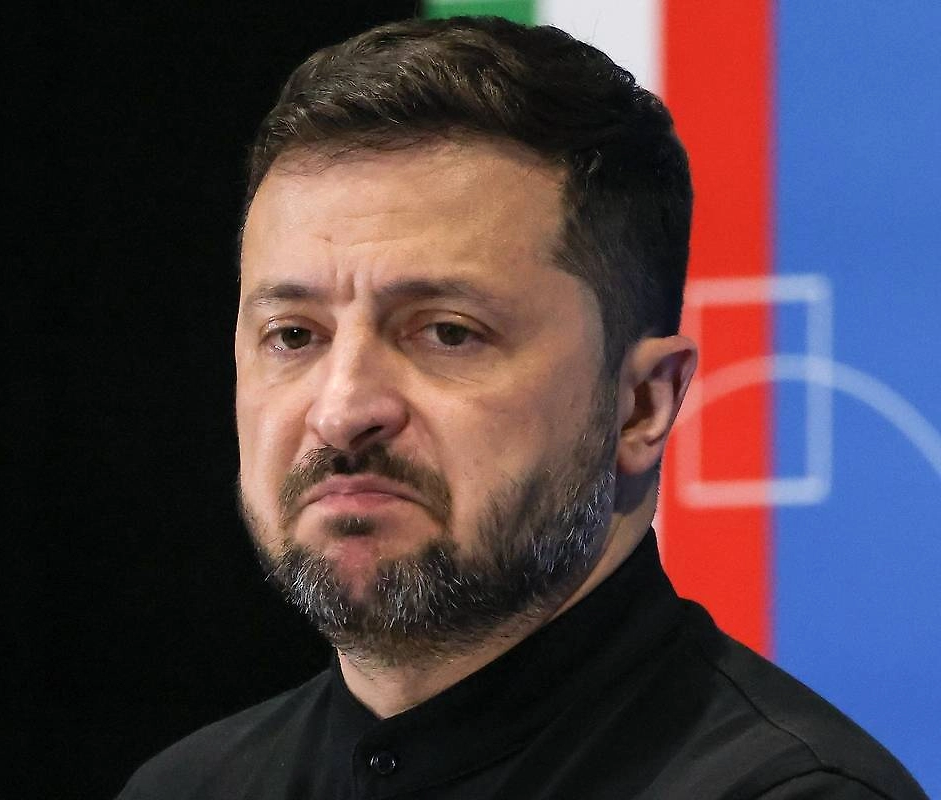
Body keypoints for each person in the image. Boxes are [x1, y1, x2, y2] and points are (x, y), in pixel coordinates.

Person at [117, 16, 926, 800]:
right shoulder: (186, 787)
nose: (342, 410)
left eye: (447, 332)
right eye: (293, 335)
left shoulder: (790, 791)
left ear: (643, 405)